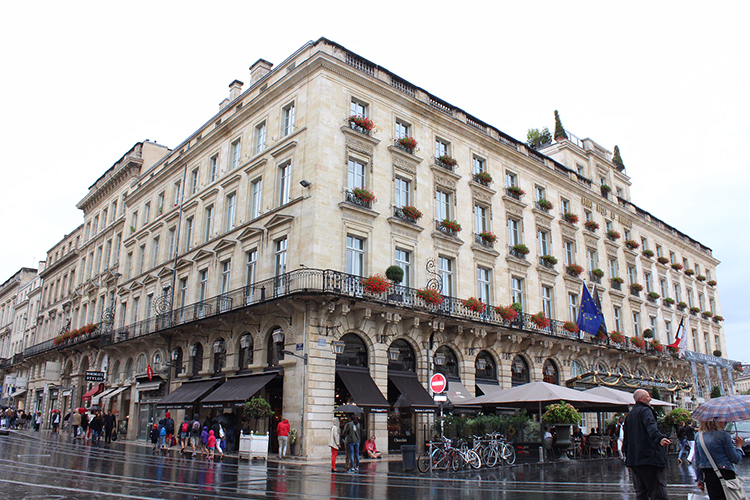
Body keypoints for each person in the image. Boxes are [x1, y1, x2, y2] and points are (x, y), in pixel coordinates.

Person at [623, 389, 671, 500]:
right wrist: (660, 438)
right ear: (641, 399)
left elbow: (627, 439)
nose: (650, 399)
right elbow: (652, 427)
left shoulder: (630, 415)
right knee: (658, 493)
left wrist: (628, 459)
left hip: (635, 460)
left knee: (641, 493)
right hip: (649, 459)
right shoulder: (645, 411)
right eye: (648, 397)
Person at [694, 419, 744, 499]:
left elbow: (697, 460)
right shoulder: (724, 436)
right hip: (726, 474)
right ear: (715, 421)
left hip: (709, 476)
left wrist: (700, 479)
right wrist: (739, 446)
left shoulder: (698, 436)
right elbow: (735, 458)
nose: (724, 421)